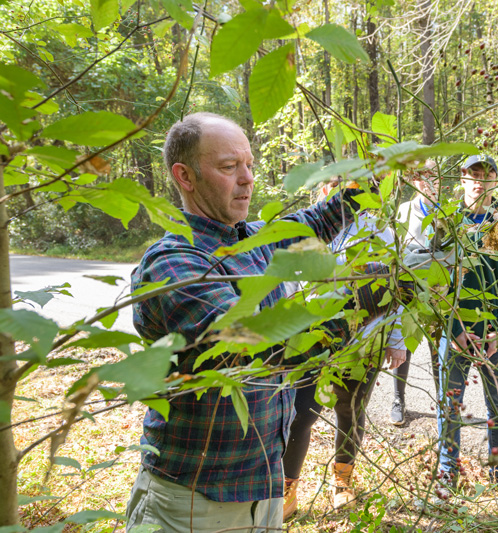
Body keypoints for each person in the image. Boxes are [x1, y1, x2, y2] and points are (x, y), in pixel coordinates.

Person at [125, 113, 374, 533]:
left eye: (250, 165)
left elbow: (316, 221)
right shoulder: (174, 263)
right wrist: (365, 301)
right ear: (185, 176)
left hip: (263, 490)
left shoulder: (251, 239)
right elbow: (257, 347)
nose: (247, 179)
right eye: (228, 167)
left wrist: (368, 180)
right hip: (195, 502)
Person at [282, 187, 407, 519]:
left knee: (350, 411)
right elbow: (289, 284)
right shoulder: (309, 229)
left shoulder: (381, 230)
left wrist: (395, 338)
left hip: (363, 341)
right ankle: (287, 488)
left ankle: (343, 482)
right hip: (314, 340)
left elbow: (394, 291)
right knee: (301, 413)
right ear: (326, 190)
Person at [437, 154, 498, 488]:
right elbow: (436, 282)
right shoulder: (446, 222)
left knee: (497, 402)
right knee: (449, 403)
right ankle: (447, 469)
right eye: (472, 174)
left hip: (496, 334)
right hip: (455, 331)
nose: (479, 180)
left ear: (495, 180)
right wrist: (456, 328)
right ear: (461, 179)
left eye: (486, 174)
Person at [389, 161, 444, 425]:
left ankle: (443, 400)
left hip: (438, 290)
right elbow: (398, 250)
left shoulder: (448, 213)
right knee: (405, 343)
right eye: (422, 177)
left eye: (433, 176)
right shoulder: (404, 210)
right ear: (414, 180)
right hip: (410, 287)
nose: (428, 182)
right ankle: (398, 398)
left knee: (438, 345)